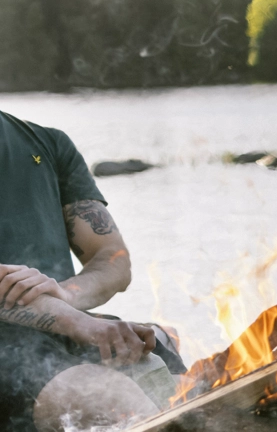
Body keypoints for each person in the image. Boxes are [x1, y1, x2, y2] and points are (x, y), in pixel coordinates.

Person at [0, 111, 169, 431]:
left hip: (73, 336)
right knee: (118, 403)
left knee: (191, 381)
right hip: (12, 363)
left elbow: (112, 258)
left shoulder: (48, 143)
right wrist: (76, 321)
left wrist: (66, 293)